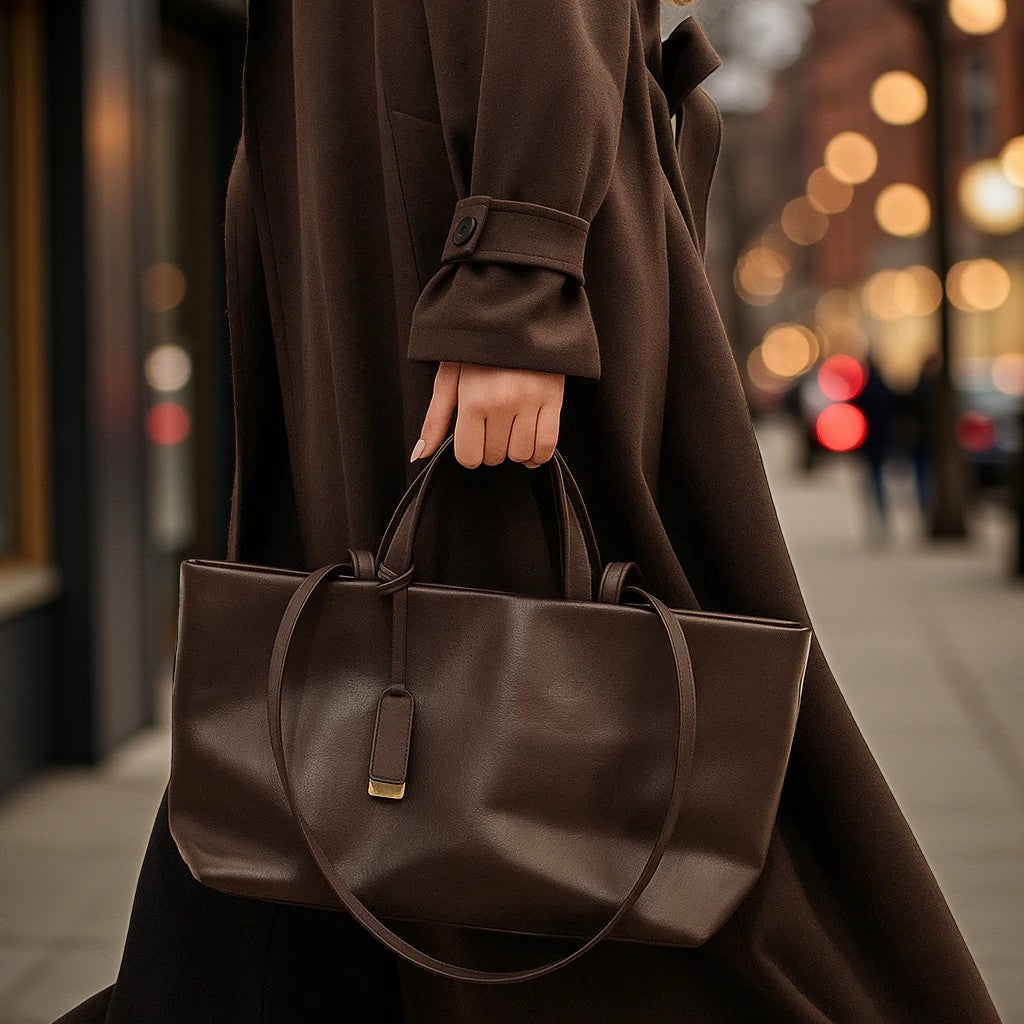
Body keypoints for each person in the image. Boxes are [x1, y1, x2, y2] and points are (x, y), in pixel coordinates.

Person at [57, 2, 1001, 1021]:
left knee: (551, 735)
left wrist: (516, 272)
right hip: (378, 208)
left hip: (443, 217)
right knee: (354, 716)